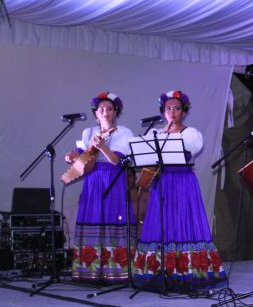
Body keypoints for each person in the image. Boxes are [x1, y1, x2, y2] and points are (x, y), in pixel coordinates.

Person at [133, 90, 227, 290]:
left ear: (184, 112)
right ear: (163, 111)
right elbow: (147, 158)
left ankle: (187, 272)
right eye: (168, 109)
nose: (172, 112)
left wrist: (168, 137)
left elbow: (188, 152)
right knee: (162, 222)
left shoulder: (191, 133)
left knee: (183, 221)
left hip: (183, 181)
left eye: (177, 108)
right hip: (162, 182)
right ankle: (159, 272)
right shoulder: (155, 133)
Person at [67, 92, 135, 283]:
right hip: (93, 181)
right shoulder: (87, 132)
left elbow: (116, 161)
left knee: (112, 218)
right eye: (101, 109)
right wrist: (73, 155)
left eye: (110, 109)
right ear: (96, 113)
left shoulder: (124, 132)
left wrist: (103, 147)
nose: (105, 112)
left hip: (113, 180)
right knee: (94, 217)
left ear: (116, 112)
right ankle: (91, 271)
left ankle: (117, 272)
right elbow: (84, 159)